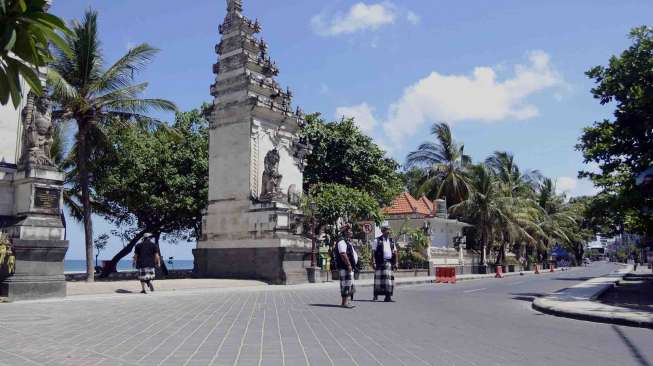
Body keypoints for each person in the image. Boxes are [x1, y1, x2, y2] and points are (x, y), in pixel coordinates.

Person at [372, 224, 398, 302]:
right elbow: (373, 252)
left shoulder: (391, 241)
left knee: (389, 281)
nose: (388, 232)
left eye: (389, 230)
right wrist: (373, 262)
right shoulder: (377, 240)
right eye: (387, 230)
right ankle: (376, 295)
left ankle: (388, 297)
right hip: (380, 262)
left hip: (389, 263)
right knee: (378, 281)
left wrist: (396, 262)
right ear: (383, 231)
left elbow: (396, 252)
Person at [335, 224, 358, 309]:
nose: (351, 232)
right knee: (346, 285)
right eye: (349, 231)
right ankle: (344, 302)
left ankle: (346, 302)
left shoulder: (347, 241)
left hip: (349, 267)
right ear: (345, 232)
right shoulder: (342, 241)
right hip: (345, 267)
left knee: (349, 284)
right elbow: (343, 254)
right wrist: (348, 265)